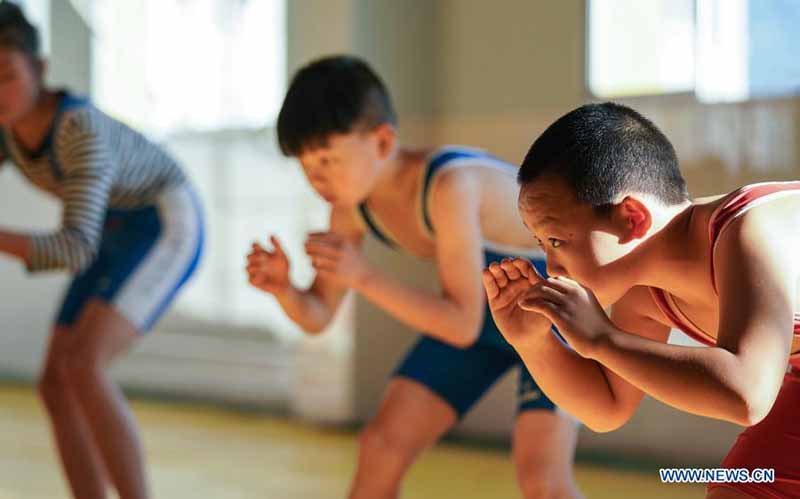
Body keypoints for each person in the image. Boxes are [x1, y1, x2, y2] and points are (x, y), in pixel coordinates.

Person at [246, 55, 583, 499]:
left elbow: (460, 324)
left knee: (541, 479)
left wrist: (363, 277)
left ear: (383, 142)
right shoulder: (348, 207)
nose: (317, 178)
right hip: (484, 312)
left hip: (554, 305)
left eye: (328, 159)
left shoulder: (450, 185)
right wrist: (284, 290)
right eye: (307, 166)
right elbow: (319, 316)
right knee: (380, 447)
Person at [483, 101, 800, 498]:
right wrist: (533, 343)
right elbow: (608, 406)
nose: (552, 267)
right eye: (542, 244)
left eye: (558, 241)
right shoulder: (644, 293)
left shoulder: (748, 229)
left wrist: (602, 338)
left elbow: (747, 394)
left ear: (632, 218)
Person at [0, 3, 203, 498]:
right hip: (110, 229)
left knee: (83, 365)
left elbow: (73, 248)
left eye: (4, 75)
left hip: (162, 218)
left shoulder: (78, 132)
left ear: (41, 70)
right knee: (54, 382)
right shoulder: (7, 129)